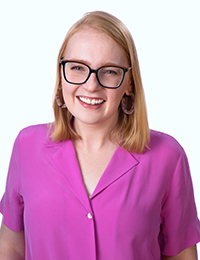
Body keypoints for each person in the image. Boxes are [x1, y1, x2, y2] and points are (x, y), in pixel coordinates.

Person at [0, 11, 199, 260]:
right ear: (61, 76)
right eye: (77, 67)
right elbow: (11, 248)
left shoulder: (167, 156)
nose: (91, 85)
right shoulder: (26, 146)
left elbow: (182, 256)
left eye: (110, 71)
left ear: (129, 83)